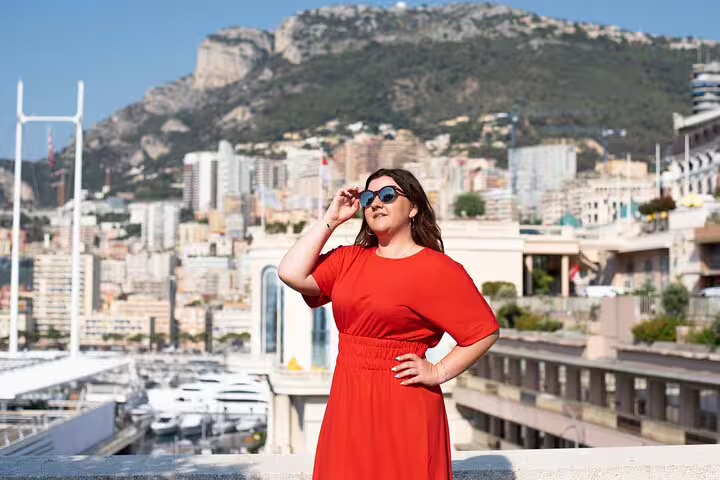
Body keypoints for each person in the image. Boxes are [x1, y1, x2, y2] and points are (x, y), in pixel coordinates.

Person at [278, 168, 499, 480]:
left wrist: (438, 372)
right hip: (348, 397)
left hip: (404, 400)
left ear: (413, 207)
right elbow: (290, 273)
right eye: (369, 198)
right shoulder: (348, 260)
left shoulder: (438, 270)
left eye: (388, 195)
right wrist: (331, 219)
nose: (375, 203)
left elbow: (484, 331)